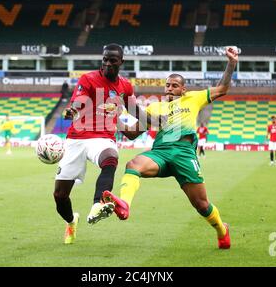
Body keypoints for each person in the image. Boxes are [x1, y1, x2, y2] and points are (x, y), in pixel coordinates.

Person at [102, 46, 238, 250]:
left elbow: (222, 89)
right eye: (167, 85)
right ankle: (125, 204)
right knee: (133, 164)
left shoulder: (193, 98)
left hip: (184, 153)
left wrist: (231, 63)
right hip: (160, 153)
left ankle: (221, 229)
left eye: (175, 85)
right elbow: (131, 133)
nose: (170, 88)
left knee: (201, 205)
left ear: (183, 89)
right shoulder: (154, 108)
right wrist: (113, 119)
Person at [55, 43, 147, 244]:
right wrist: (73, 111)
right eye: (104, 59)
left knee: (111, 158)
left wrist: (152, 121)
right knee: (60, 196)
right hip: (77, 139)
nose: (107, 63)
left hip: (103, 138)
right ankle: (71, 222)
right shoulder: (88, 79)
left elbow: (137, 113)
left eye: (112, 60)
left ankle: (98, 204)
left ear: (121, 62)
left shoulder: (125, 86)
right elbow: (78, 102)